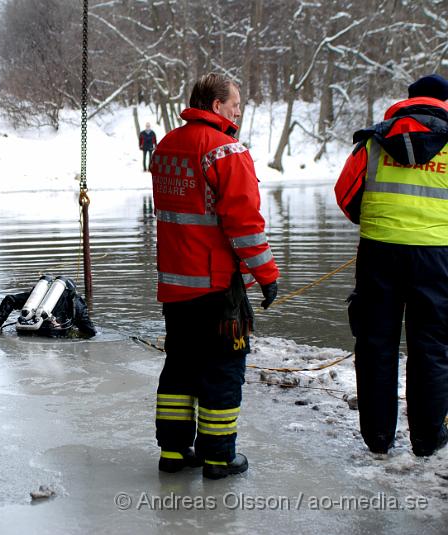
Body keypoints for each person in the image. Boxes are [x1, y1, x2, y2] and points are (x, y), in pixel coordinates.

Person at [150, 73, 279, 479]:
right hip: (216, 286)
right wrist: (267, 275)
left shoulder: (166, 146)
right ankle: (219, 458)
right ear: (215, 105)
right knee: (223, 369)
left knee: (180, 365)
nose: (239, 110)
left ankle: (173, 452)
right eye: (234, 103)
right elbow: (244, 225)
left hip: (175, 285)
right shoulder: (226, 151)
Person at [334, 73, 448, 457]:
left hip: (379, 253)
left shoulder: (375, 140)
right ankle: (428, 440)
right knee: (431, 347)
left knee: (376, 344)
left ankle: (378, 440)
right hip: (438, 257)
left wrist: (376, 221)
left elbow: (345, 193)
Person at [0, 275, 96, 337]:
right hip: (54, 334)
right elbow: (89, 330)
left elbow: (10, 300)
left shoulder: (35, 297)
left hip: (26, 331)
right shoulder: (76, 301)